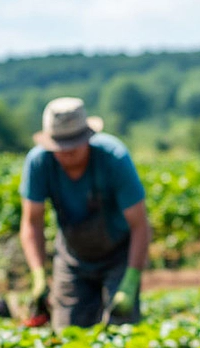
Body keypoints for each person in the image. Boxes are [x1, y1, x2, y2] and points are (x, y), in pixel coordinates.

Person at [19, 97, 150, 329]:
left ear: (88, 138)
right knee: (69, 333)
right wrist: (38, 274)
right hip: (72, 258)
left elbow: (139, 224)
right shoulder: (39, 163)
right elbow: (32, 222)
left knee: (123, 331)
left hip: (118, 255)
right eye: (60, 147)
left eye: (73, 146)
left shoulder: (114, 158)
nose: (67, 153)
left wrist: (130, 281)